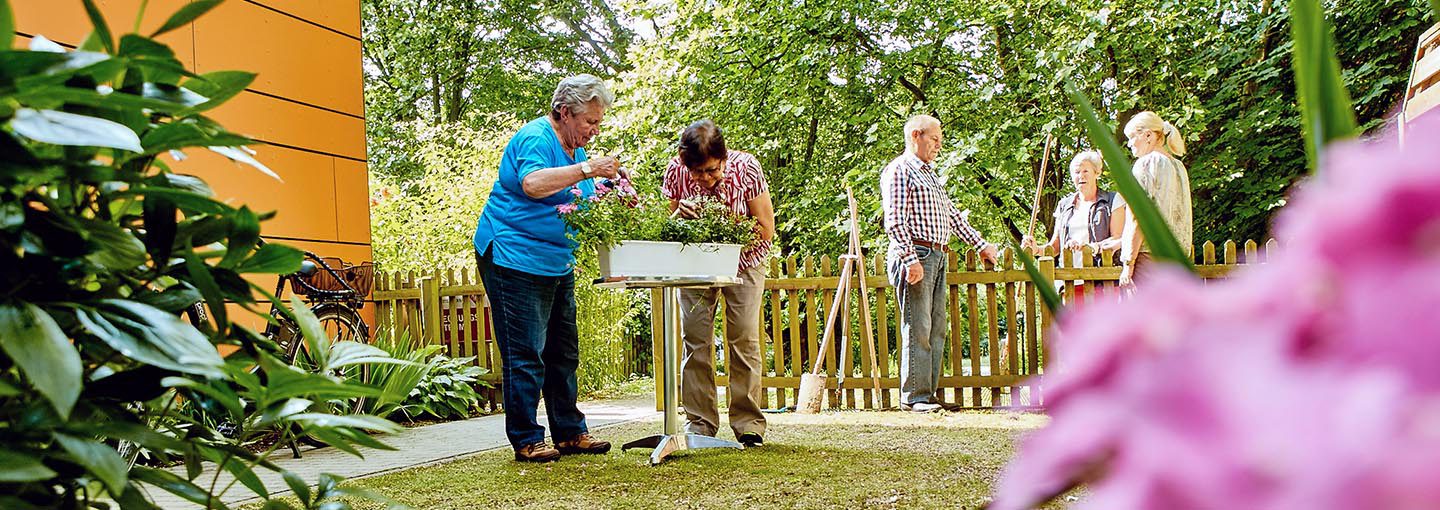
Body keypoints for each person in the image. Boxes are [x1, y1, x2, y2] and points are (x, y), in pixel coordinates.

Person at [472, 74, 623, 462]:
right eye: (589, 121)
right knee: (526, 353)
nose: (594, 130)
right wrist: (590, 169)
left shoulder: (574, 151)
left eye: (598, 122)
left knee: (563, 351)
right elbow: (534, 184)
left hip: (556, 261)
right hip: (513, 257)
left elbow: (577, 199)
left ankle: (570, 432)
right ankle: (526, 438)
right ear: (563, 112)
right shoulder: (536, 138)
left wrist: (616, 194)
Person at [661, 119, 776, 447]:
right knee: (695, 338)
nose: (705, 179)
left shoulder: (747, 168)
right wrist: (678, 216)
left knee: (743, 337)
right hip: (694, 266)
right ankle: (700, 423)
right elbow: (668, 230)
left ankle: (748, 424)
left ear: (724, 158)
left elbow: (766, 227)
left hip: (745, 263)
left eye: (711, 170)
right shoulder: (675, 171)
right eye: (697, 173)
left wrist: (729, 228)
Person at [880, 115, 998, 413]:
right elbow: (894, 221)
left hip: (938, 254)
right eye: (934, 139)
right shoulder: (899, 170)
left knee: (936, 329)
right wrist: (910, 260)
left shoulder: (930, 173)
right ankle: (914, 397)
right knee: (917, 326)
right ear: (916, 135)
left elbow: (953, 216)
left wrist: (981, 245)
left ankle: (928, 394)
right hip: (916, 254)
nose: (939, 146)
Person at [1118, 111, 1193, 288]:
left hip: (1149, 258)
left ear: (1148, 136)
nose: (1129, 144)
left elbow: (1140, 216)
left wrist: (1128, 263)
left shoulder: (1145, 164)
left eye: (1132, 137)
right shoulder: (1179, 166)